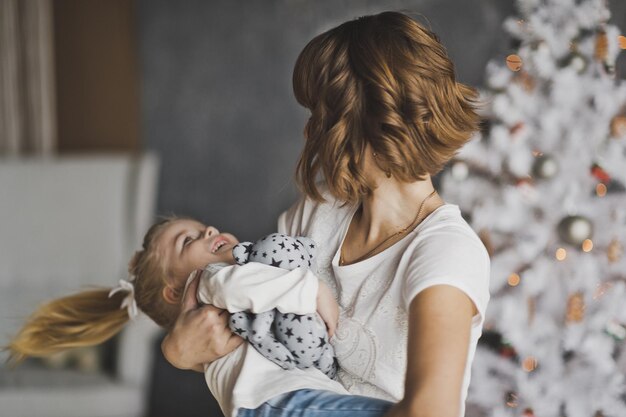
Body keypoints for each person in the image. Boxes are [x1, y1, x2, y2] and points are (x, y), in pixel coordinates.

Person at [161, 11, 491, 417]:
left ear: (371, 122)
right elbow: (251, 343)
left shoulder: (445, 252)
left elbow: (432, 410)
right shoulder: (316, 214)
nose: (308, 133)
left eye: (319, 114)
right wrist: (178, 351)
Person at [7, 216, 393, 417]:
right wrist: (312, 291)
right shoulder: (207, 282)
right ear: (175, 291)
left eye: (200, 227)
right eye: (188, 241)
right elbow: (243, 286)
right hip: (279, 404)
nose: (208, 228)